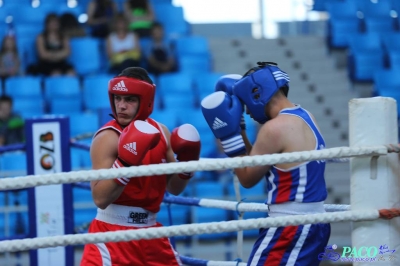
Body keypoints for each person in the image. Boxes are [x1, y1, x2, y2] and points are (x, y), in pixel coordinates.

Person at [201, 62, 330, 265]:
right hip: (315, 221)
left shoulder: (274, 129)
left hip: (289, 225)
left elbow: (246, 178)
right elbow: (257, 159)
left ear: (256, 93)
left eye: (245, 104)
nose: (247, 112)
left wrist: (229, 136)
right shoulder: (306, 116)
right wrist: (240, 127)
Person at [80, 67, 201, 266]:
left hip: (150, 231)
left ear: (146, 102)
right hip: (112, 234)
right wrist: (125, 163)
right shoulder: (108, 137)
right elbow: (100, 198)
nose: (121, 106)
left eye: (129, 99)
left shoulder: (162, 132)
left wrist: (187, 164)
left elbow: (174, 188)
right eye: (118, 98)